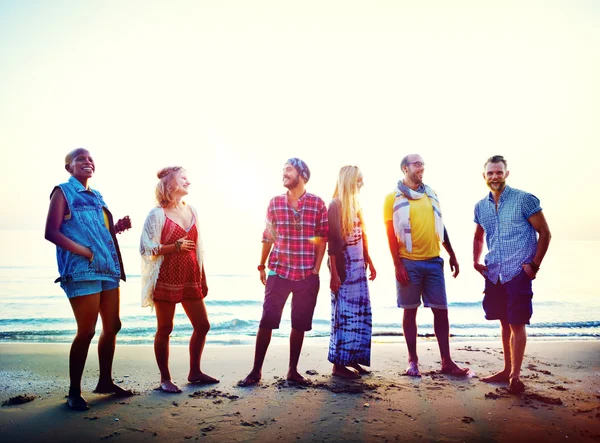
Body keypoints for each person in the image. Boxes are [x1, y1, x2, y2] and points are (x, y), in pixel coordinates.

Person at [44, 148, 133, 411]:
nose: (87, 162)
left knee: (113, 325)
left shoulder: (97, 196)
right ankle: (74, 391)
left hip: (107, 269)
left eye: (90, 159)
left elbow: (96, 232)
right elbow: (51, 231)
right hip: (82, 271)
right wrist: (85, 252)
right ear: (68, 167)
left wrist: (115, 228)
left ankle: (105, 381)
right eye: (80, 159)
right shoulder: (62, 191)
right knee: (87, 330)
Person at [239, 158, 328, 386]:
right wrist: (261, 265)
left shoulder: (318, 203)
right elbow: (268, 236)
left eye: (289, 170)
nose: (284, 174)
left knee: (299, 324)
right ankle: (255, 371)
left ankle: (292, 371)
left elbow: (322, 238)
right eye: (283, 171)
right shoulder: (275, 203)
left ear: (302, 174)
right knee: (267, 320)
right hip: (278, 271)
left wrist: (316, 269)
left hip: (307, 274)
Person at [384, 154, 468, 377]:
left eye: (423, 164)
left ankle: (446, 361)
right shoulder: (392, 197)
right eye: (417, 164)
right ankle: (412, 361)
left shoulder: (431, 194)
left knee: (441, 311)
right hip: (408, 262)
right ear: (405, 168)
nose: (422, 168)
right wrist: (397, 265)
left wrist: (452, 254)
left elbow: (440, 225)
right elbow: (390, 235)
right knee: (410, 311)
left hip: (433, 261)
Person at [473, 155, 551, 394]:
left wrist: (534, 266)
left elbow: (545, 233)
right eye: (490, 173)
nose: (494, 177)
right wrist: (476, 261)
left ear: (506, 174)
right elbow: (478, 236)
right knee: (504, 322)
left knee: (517, 323)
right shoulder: (481, 206)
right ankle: (506, 370)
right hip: (494, 272)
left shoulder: (524, 200)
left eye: (499, 172)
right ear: (484, 176)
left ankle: (515, 377)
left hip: (518, 272)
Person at [140, 166, 218, 394]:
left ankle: (195, 372)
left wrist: (203, 276)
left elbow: (199, 248)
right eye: (183, 178)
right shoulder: (156, 214)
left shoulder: (192, 211)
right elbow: (146, 248)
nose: (188, 182)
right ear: (170, 183)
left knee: (203, 326)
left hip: (190, 276)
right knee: (165, 328)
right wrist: (173, 247)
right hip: (165, 277)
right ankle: (165, 378)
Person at [327, 166, 376, 379]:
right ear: (349, 181)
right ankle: (338, 365)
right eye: (359, 180)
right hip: (344, 269)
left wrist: (370, 262)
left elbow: (363, 235)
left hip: (359, 268)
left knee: (361, 314)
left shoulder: (355, 205)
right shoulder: (335, 205)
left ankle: (353, 358)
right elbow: (333, 242)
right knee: (343, 315)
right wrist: (334, 275)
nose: (362, 184)